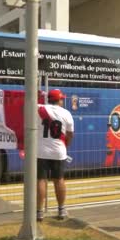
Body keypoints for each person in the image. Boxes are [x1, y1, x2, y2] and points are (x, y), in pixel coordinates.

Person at [36, 89, 74, 221]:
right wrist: (65, 145)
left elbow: (28, 102)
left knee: (41, 180)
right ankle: (61, 210)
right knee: (59, 180)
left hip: (40, 151)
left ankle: (39, 212)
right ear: (60, 100)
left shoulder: (39, 109)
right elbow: (69, 134)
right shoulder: (66, 113)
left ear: (49, 99)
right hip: (58, 152)